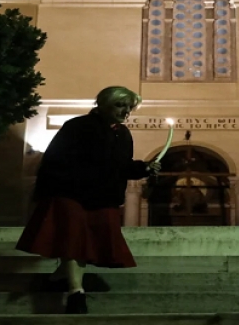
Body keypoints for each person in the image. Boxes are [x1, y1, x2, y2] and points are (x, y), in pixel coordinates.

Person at [16, 86, 161, 314]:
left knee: (80, 242)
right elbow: (57, 160)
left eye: (129, 107)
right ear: (103, 104)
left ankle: (56, 279)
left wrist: (143, 168)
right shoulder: (77, 126)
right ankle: (76, 293)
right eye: (120, 105)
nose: (126, 111)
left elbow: (120, 165)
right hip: (72, 193)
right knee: (75, 242)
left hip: (102, 197)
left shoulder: (122, 133)